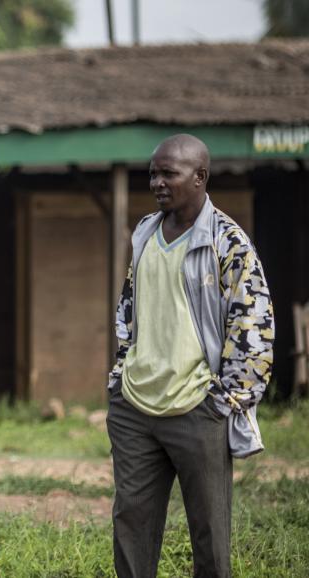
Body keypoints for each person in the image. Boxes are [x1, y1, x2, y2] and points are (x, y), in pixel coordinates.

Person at [106, 134, 274, 578]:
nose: (158, 182)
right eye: (153, 174)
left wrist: (228, 400)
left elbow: (254, 326)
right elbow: (130, 308)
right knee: (131, 527)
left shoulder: (228, 242)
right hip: (135, 406)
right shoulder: (145, 230)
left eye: (169, 174)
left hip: (197, 408)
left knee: (209, 537)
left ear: (200, 177)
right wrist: (120, 373)